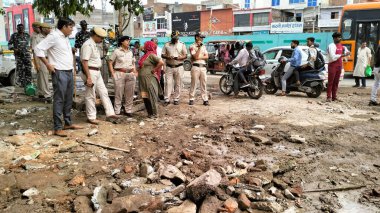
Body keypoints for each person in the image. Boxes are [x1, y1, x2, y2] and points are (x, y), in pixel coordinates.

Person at [35, 18, 83, 137]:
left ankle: (67, 123)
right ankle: (57, 127)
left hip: (68, 71)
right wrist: (47, 64)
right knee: (59, 99)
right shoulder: (54, 36)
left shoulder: (64, 37)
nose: (72, 29)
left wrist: (71, 50)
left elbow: (60, 51)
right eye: (71, 27)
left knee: (68, 98)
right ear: (64, 26)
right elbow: (38, 49)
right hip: (59, 71)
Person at [81, 27, 119, 125]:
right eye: (101, 38)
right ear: (95, 35)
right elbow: (84, 61)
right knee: (90, 95)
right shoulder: (88, 45)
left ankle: (110, 113)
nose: (102, 40)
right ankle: (91, 117)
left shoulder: (94, 44)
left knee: (104, 92)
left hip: (96, 71)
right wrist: (88, 77)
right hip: (90, 71)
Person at [108, 36, 137, 116]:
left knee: (130, 93)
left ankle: (128, 110)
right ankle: (117, 111)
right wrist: (112, 73)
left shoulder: (131, 52)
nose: (128, 42)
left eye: (129, 40)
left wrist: (135, 71)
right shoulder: (116, 51)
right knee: (118, 93)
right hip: (119, 73)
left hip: (130, 73)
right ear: (122, 42)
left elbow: (133, 62)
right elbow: (110, 62)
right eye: (126, 40)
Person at [138, 41, 164, 118]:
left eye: (145, 45)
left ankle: (155, 113)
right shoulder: (145, 55)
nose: (144, 46)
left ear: (148, 46)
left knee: (151, 95)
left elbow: (161, 62)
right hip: (143, 80)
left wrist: (154, 70)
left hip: (149, 79)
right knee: (145, 96)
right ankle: (149, 113)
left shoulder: (152, 55)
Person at [161, 30, 187, 105]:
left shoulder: (182, 44)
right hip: (169, 66)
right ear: (171, 37)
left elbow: (185, 55)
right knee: (168, 83)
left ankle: (176, 99)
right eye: (174, 37)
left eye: (177, 38)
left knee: (178, 83)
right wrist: (168, 56)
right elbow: (162, 55)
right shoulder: (167, 44)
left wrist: (180, 58)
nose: (175, 39)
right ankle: (167, 99)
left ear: (178, 37)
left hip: (179, 66)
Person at [326, 32, 350, 102]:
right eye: (338, 37)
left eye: (340, 37)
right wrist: (343, 55)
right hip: (332, 65)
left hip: (339, 65)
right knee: (330, 82)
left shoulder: (342, 46)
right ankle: (328, 97)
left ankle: (334, 97)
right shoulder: (331, 46)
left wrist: (347, 54)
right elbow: (333, 57)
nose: (339, 38)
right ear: (334, 38)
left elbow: (347, 54)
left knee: (336, 82)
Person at [8, 24, 32, 88]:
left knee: (28, 69)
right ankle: (21, 84)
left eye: (22, 28)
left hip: (27, 55)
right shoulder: (14, 35)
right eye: (19, 28)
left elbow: (31, 44)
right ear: (17, 28)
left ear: (24, 28)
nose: (21, 29)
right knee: (20, 70)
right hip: (19, 56)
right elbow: (9, 44)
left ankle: (29, 83)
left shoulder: (27, 35)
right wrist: (13, 49)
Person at [189, 32, 209, 106]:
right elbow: (195, 57)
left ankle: (205, 99)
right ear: (197, 37)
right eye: (201, 37)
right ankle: (191, 99)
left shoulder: (203, 46)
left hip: (203, 66)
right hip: (195, 66)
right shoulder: (192, 46)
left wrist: (199, 56)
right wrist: (199, 48)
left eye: (203, 38)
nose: (202, 39)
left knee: (203, 84)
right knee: (194, 83)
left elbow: (207, 56)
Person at [34, 23, 52, 100]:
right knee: (43, 77)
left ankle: (41, 92)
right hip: (42, 59)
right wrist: (37, 63)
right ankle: (47, 94)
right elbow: (35, 51)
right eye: (48, 28)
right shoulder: (37, 38)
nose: (50, 30)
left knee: (44, 77)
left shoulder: (50, 37)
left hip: (50, 58)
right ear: (44, 29)